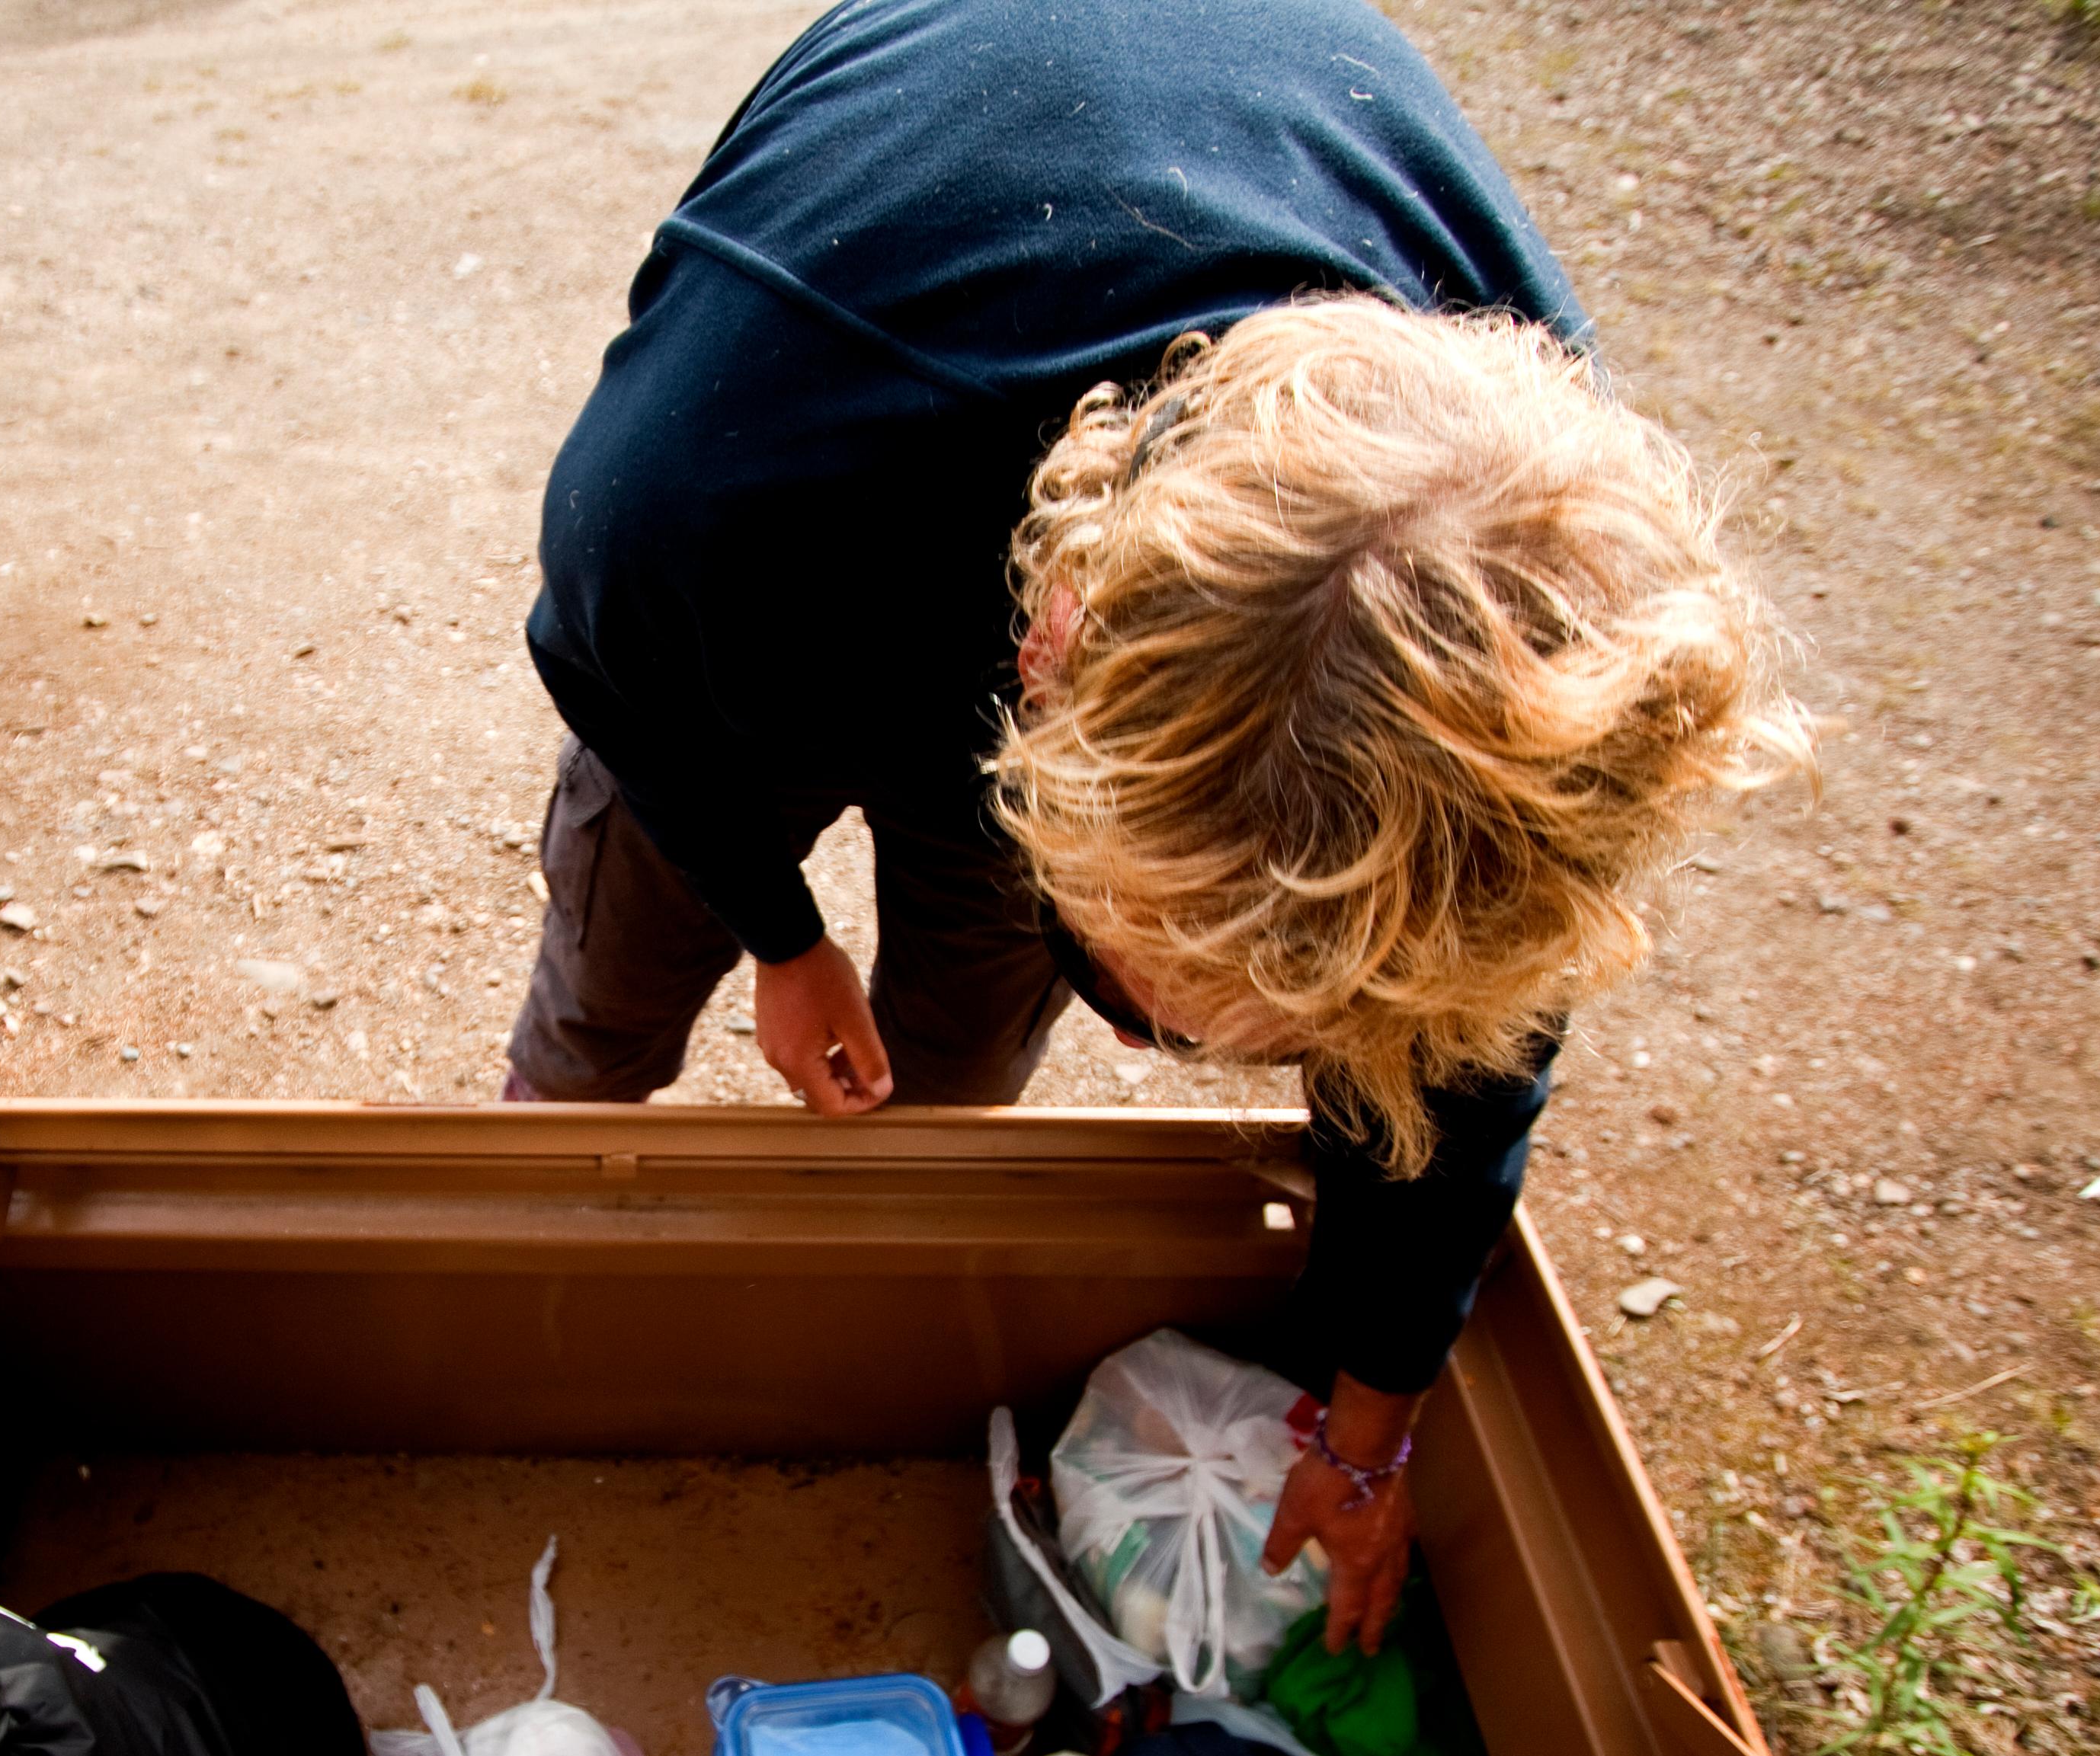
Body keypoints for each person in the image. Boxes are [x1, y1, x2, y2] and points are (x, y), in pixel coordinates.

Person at [503, 0, 1814, 1655]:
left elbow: (1465, 1043)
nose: (1157, 1043)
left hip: (1119, 592)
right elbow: (603, 655)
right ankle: (534, 1196)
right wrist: (780, 931)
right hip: (852, 452)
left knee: (954, 1056)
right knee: (621, 957)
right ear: (1049, 667)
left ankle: (905, 1231)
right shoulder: (721, 483)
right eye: (1152, 975)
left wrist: (1370, 1410)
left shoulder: (1538, 613)